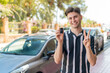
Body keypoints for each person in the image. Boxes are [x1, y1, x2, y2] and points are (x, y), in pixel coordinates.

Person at [54, 7, 97, 73]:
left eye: (75, 17)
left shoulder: (89, 38)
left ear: (81, 17)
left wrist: (88, 47)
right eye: (70, 18)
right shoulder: (62, 37)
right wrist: (60, 42)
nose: (73, 20)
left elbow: (93, 62)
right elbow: (57, 60)